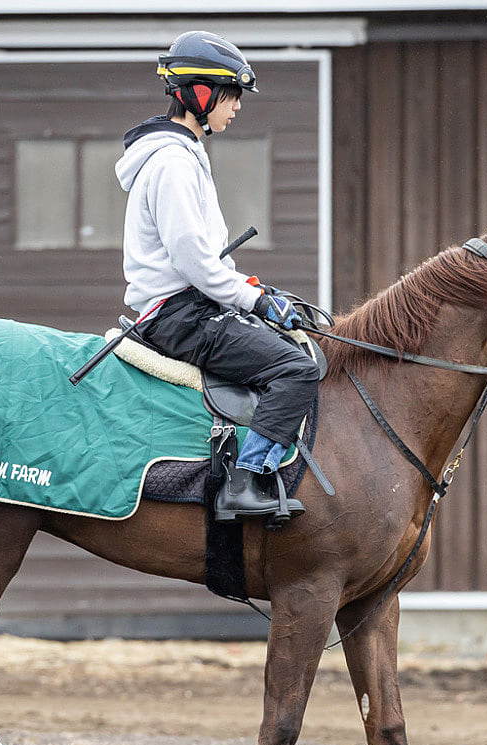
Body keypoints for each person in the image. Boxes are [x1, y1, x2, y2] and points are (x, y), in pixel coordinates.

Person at [114, 30, 320, 522]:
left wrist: (255, 290)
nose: (237, 108)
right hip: (180, 316)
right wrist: (253, 302)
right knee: (296, 369)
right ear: (200, 94)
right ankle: (245, 485)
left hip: (194, 306)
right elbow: (194, 263)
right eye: (231, 96)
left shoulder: (185, 156)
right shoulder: (172, 163)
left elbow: (210, 263)